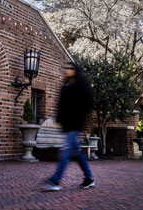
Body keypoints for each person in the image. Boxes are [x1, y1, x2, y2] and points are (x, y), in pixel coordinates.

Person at [41, 62, 95, 191]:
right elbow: (61, 104)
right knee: (78, 154)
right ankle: (89, 178)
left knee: (65, 150)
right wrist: (59, 119)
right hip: (67, 125)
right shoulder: (65, 86)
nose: (67, 70)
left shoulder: (81, 85)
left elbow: (88, 104)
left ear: (75, 70)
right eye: (66, 68)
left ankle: (55, 180)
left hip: (76, 124)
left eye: (70, 68)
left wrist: (78, 116)